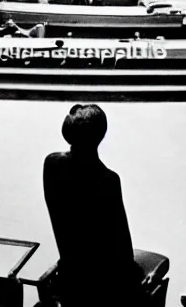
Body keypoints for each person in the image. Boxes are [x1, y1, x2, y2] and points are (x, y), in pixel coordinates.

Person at [42, 104, 148, 302]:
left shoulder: (51, 164)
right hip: (104, 284)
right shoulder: (107, 180)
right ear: (101, 135)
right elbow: (122, 248)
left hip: (70, 273)